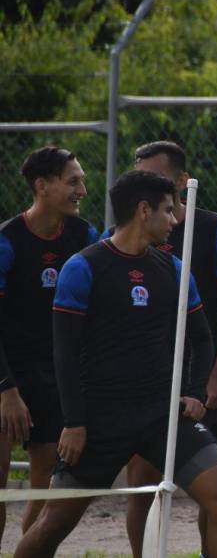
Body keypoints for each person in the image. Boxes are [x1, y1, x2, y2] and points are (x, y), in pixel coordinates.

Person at [13, 171, 217, 558]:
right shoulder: (82, 267)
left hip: (162, 415)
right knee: (53, 523)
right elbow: (65, 354)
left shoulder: (174, 269)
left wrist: (192, 391)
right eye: (168, 211)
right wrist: (74, 423)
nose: (174, 221)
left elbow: (202, 338)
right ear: (144, 211)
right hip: (98, 421)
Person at [116, 142, 217, 558]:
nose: (145, 190)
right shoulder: (122, 236)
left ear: (180, 183)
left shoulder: (214, 228)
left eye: (154, 179)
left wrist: (216, 376)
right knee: (142, 484)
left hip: (199, 375)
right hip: (147, 382)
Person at [0, 146, 98, 549]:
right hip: (6, 373)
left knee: (46, 486)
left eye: (82, 180)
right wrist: (7, 391)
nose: (82, 190)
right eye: (72, 181)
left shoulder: (84, 235)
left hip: (53, 372)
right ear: (42, 186)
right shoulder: (8, 242)